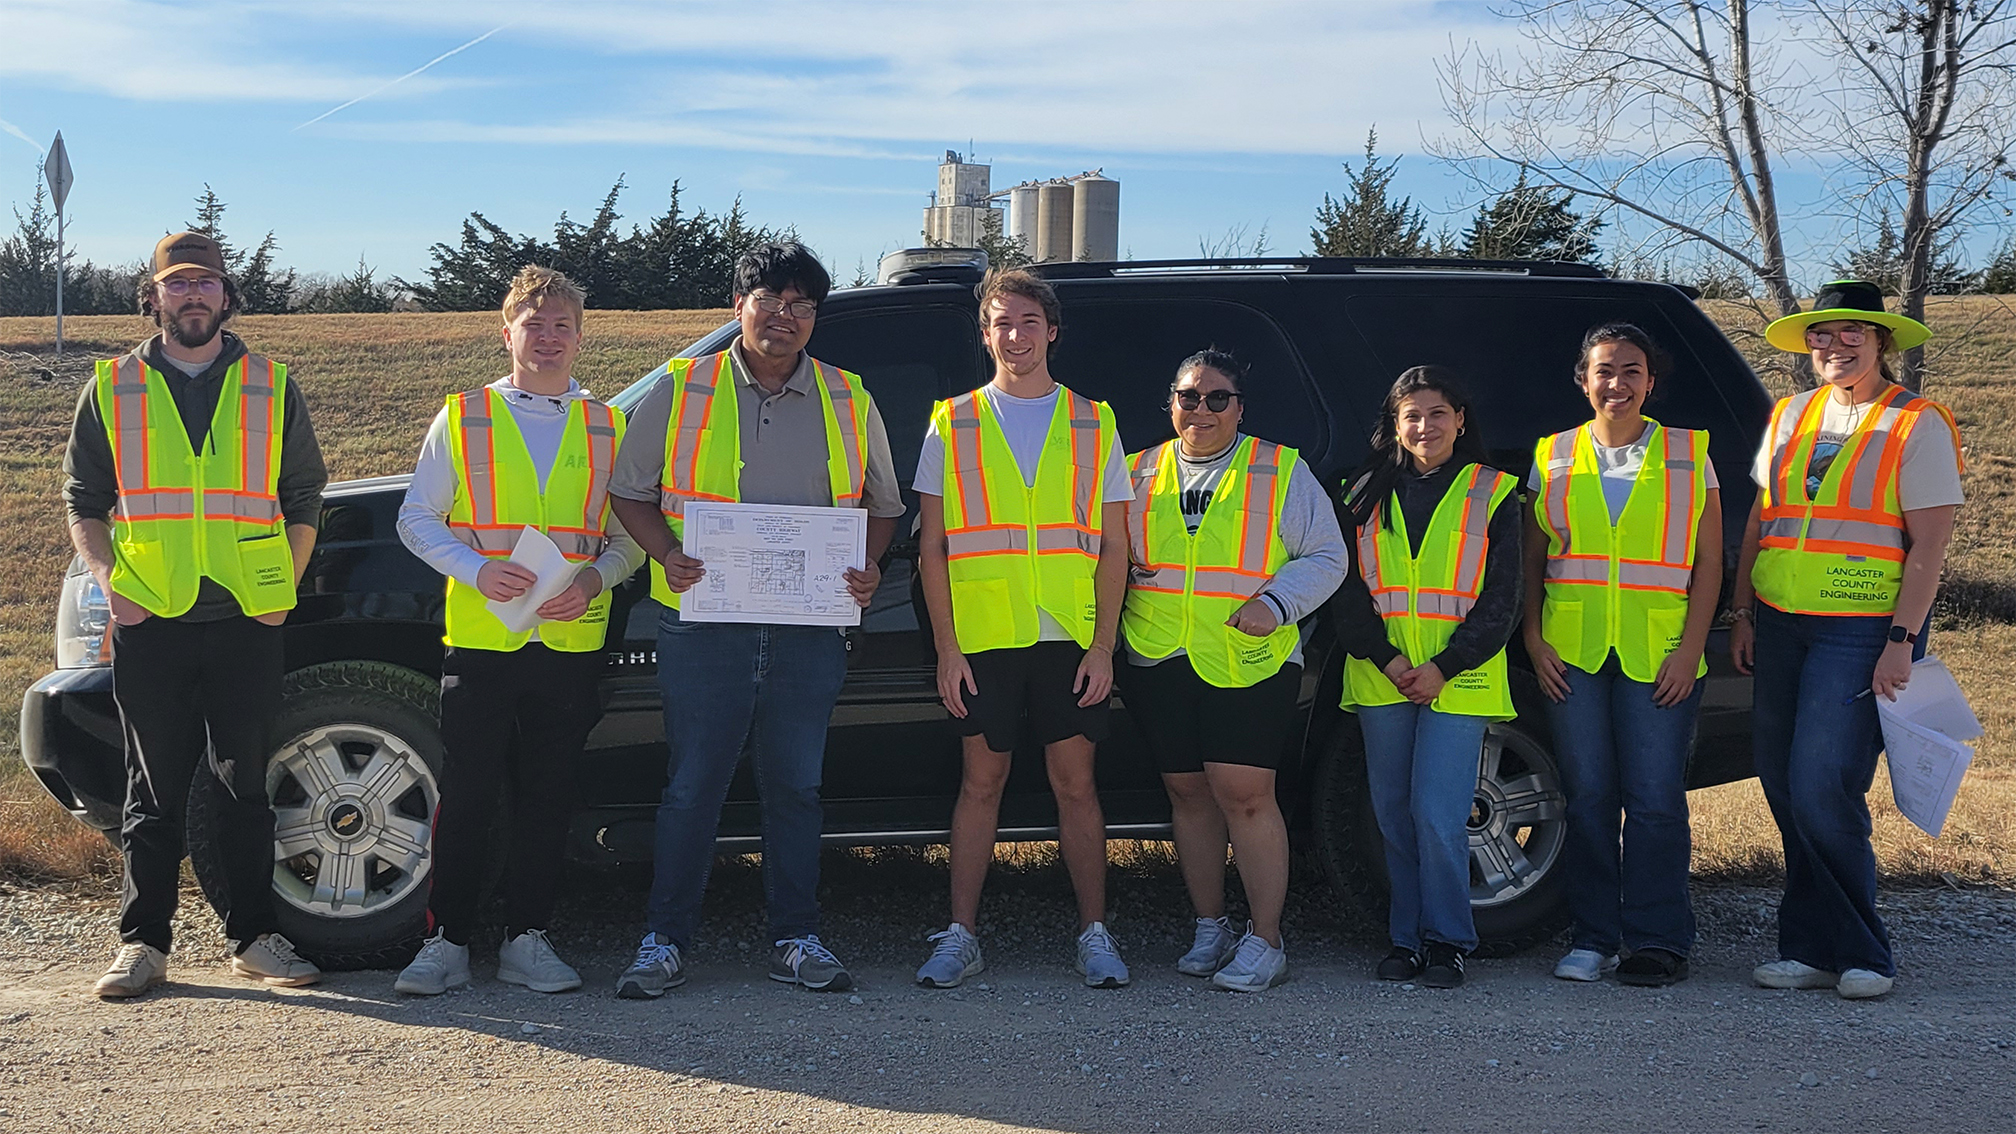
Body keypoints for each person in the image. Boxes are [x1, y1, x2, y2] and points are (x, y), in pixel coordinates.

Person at [606, 242, 904, 998]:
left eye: (803, 305)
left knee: (797, 788)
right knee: (692, 787)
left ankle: (796, 938)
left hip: (810, 630)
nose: (785, 316)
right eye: (770, 298)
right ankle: (664, 941)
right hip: (703, 624)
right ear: (738, 305)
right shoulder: (680, 388)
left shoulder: (849, 396)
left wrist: (865, 568)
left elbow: (884, 506)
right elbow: (629, 492)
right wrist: (666, 554)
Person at [62, 231, 327, 997]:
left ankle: (254, 937)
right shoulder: (111, 387)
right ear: (154, 297)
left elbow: (302, 493)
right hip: (154, 615)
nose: (192, 296)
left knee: (246, 785)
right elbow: (85, 500)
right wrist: (108, 578)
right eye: (177, 284)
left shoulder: (273, 384)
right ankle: (144, 944)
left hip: (248, 615)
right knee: (154, 791)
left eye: (205, 283)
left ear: (226, 295)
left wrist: (287, 584)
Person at [390, 266, 644, 996]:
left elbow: (631, 539)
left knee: (547, 796)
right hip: (483, 638)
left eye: (563, 325)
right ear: (508, 334)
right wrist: (475, 570)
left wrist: (596, 579)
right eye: (535, 324)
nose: (550, 337)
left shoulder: (609, 427)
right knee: (467, 795)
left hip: (567, 641)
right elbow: (416, 518)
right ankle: (446, 942)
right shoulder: (464, 417)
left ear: (580, 338)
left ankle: (529, 939)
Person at [1731, 280, 1962, 1001]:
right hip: (1779, 624)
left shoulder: (1915, 422)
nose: (1833, 346)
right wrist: (1742, 610)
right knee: (1779, 780)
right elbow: (1761, 518)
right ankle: (1806, 947)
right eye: (1822, 335)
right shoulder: (1790, 415)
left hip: (1861, 633)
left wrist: (1903, 637)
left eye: (1851, 333)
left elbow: (1930, 543)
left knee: (1823, 785)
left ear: (1882, 341)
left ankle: (1864, 951)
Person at [912, 268, 1134, 990]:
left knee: (1077, 785)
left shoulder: (1093, 421)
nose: (1016, 335)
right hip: (984, 638)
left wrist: (1103, 646)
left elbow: (1113, 546)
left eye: (1028, 321)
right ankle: (960, 935)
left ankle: (1094, 935)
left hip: (1069, 638)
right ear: (985, 334)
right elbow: (932, 549)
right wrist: (947, 651)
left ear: (1052, 331)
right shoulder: (953, 419)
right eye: (1002, 322)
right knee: (983, 783)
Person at [1119, 349, 1346, 993]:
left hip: (1248, 659)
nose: (1202, 410)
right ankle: (1209, 923)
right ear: (1172, 403)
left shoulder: (1279, 468)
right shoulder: (1138, 473)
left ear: (1239, 408)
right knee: (1189, 796)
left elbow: (1328, 556)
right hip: (1159, 654)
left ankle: (1266, 939)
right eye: (1189, 396)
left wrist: (1276, 604)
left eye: (1218, 398)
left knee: (1244, 796)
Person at [1524, 324, 1721, 988]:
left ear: (1650, 382)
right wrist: (1532, 635)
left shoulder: (1689, 454)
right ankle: (1594, 936)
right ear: (1584, 380)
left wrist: (1692, 646)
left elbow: (1709, 563)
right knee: (1587, 797)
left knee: (1657, 799)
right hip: (1573, 651)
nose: (1617, 383)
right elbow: (1532, 556)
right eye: (1604, 370)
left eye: (1631, 370)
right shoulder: (1551, 454)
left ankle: (1658, 939)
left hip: (1659, 652)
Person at [1330, 366, 1521, 990]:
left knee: (1437, 815)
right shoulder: (1359, 491)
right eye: (1411, 415)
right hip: (1383, 674)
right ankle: (1405, 939)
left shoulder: (1492, 491)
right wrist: (1388, 660)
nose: (1424, 426)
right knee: (1391, 815)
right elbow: (1348, 592)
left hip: (1456, 681)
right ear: (1394, 424)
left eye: (1437, 413)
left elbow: (1502, 600)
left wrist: (1443, 667)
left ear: (1460, 419)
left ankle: (1448, 941)